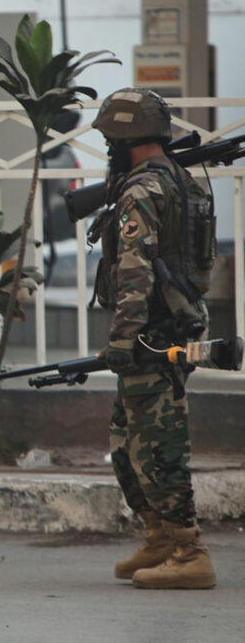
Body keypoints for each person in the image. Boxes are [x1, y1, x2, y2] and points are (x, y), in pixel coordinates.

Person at [91, 87, 217, 589]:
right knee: (126, 444)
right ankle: (159, 536)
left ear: (123, 139)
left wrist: (123, 339)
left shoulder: (144, 189)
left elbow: (134, 270)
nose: (108, 149)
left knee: (157, 445)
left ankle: (190, 551)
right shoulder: (180, 182)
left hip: (152, 333)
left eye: (109, 139)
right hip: (170, 325)